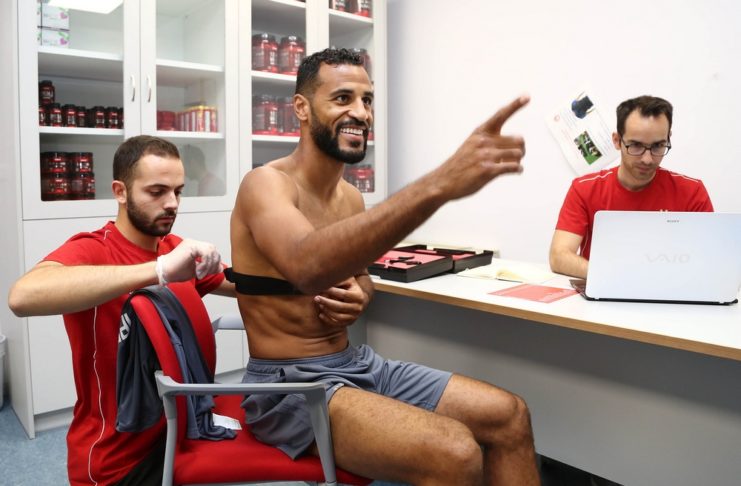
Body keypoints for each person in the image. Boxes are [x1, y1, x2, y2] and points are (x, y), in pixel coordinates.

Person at [229, 48, 539, 485]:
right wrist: (439, 184)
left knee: (510, 414)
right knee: (455, 451)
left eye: (367, 100)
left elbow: (361, 277)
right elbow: (306, 265)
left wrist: (362, 293)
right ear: (301, 108)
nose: (361, 113)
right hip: (286, 386)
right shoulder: (265, 184)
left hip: (355, 364)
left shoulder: (351, 198)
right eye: (342, 98)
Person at [7, 135, 365, 486]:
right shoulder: (95, 249)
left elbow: (249, 285)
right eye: (156, 192)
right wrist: (159, 270)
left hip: (182, 423)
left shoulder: (174, 248)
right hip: (117, 458)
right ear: (120, 192)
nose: (172, 203)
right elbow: (22, 296)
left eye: (178, 191)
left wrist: (320, 279)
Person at [549, 95, 714, 279]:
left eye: (658, 146)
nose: (647, 159)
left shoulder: (692, 191)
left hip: (672, 291)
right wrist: (620, 278)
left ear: (668, 139)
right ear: (617, 140)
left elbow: (712, 260)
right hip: (605, 289)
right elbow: (559, 256)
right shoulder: (584, 189)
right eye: (636, 145)